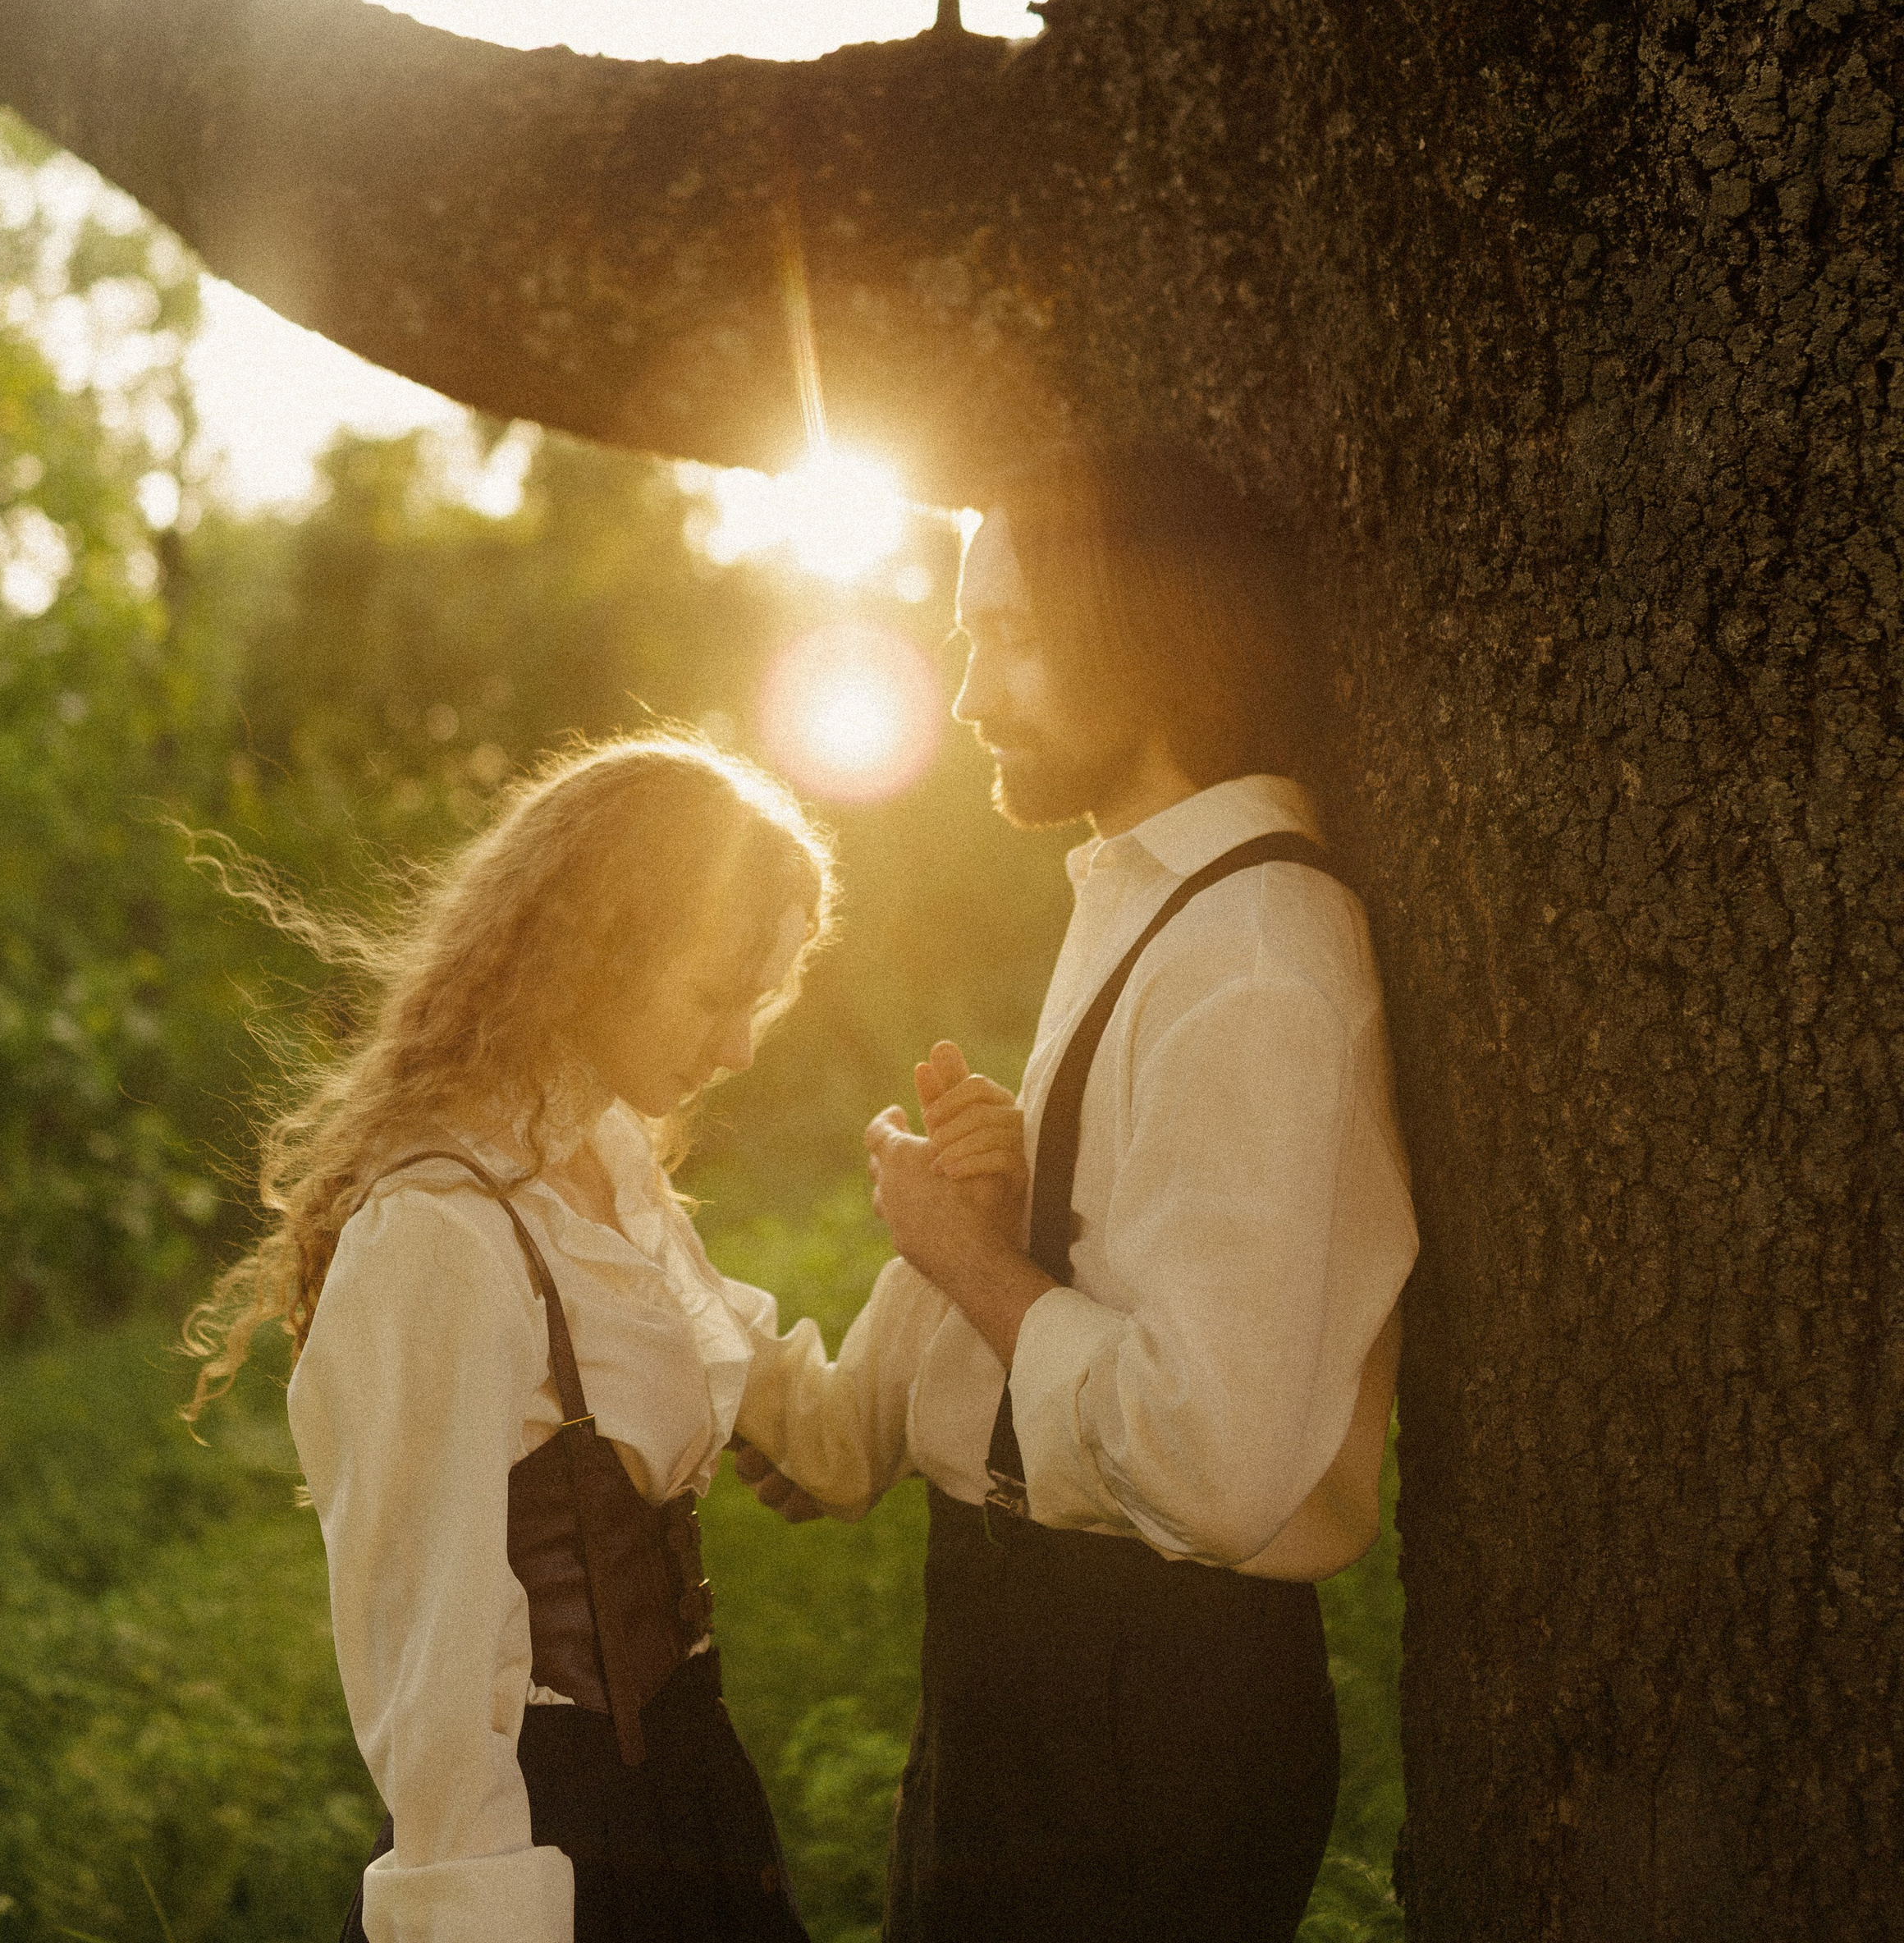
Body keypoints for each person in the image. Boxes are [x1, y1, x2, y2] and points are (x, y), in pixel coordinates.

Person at [734, 445, 1420, 1941]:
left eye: (1010, 636)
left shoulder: (1251, 958)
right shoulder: (1155, 904)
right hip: (1029, 1666)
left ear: (1148, 631)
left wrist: (974, 1259)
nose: (968, 693)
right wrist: (1032, 1202)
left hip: (1136, 1710)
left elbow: (1212, 1460)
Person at [182, 733, 851, 1943]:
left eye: (758, 1001)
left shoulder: (600, 1153)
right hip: (549, 1832)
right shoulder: (439, 1237)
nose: (741, 1047)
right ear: (590, 956)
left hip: (692, 1797)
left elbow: (762, 1376)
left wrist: (968, 1252)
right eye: (712, 996)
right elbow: (430, 1675)